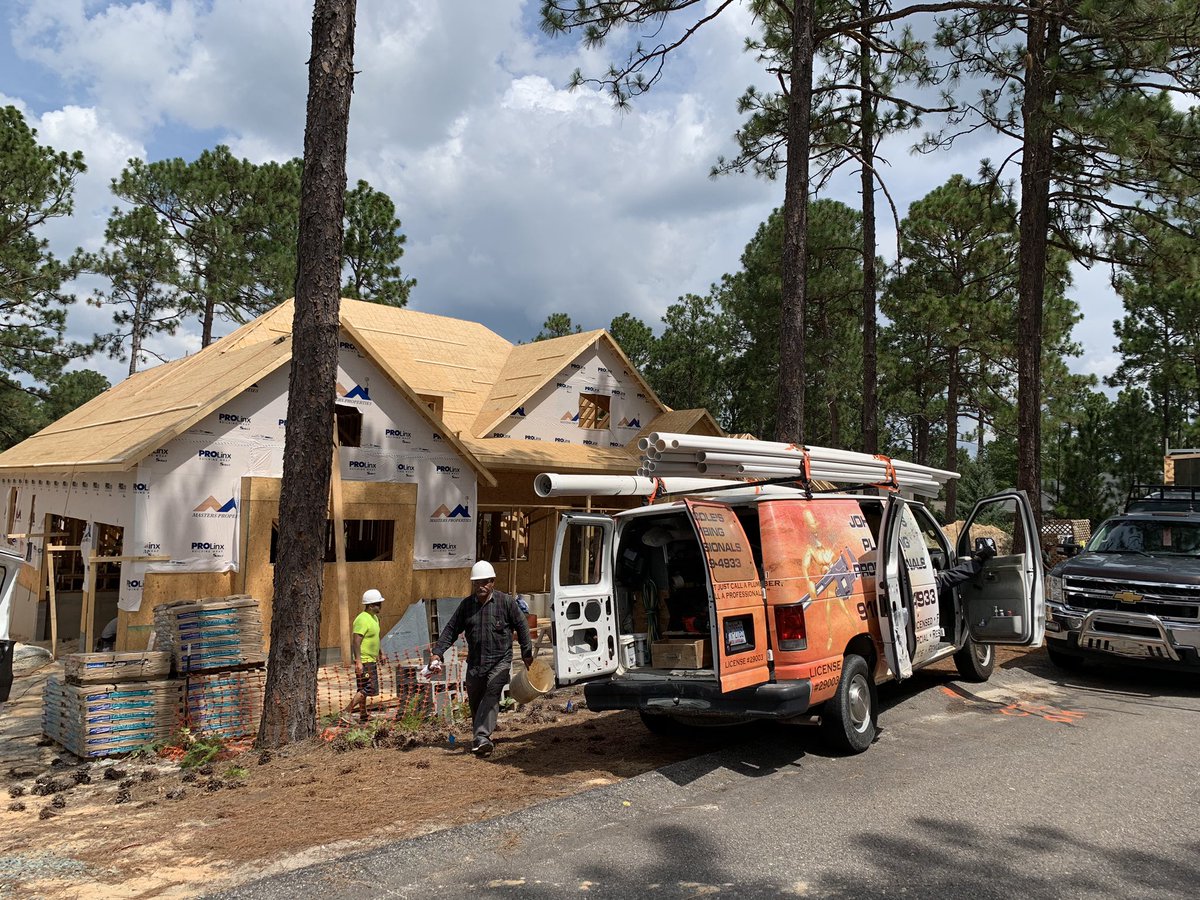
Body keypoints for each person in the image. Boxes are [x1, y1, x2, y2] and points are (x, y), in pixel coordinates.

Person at [429, 560, 533, 757]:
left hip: (500, 661)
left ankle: (483, 736)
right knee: (476, 701)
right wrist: (437, 653)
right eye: (477, 583)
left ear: (492, 582)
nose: (481, 586)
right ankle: (480, 740)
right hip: (476, 664)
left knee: (492, 691)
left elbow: (522, 626)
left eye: (485, 582)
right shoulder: (467, 606)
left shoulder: (506, 603)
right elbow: (451, 630)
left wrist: (527, 653)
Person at [342, 589, 384, 725]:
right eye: (378, 603)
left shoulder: (375, 618)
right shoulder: (362, 619)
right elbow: (356, 641)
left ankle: (363, 714)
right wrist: (358, 661)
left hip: (371, 659)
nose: (380, 606)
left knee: (362, 688)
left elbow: (376, 637)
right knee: (370, 687)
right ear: (370, 605)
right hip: (365, 661)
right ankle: (346, 711)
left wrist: (381, 653)